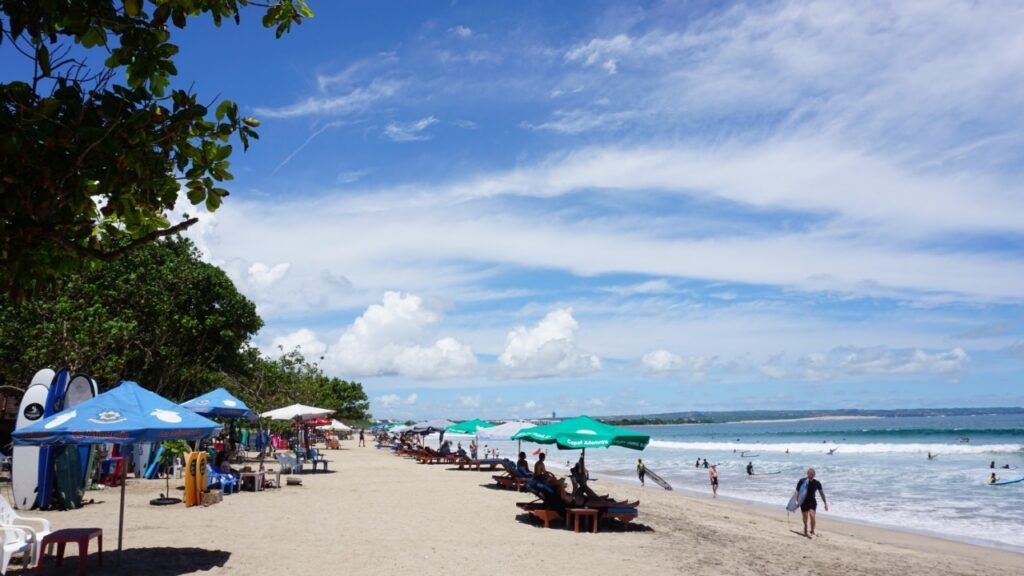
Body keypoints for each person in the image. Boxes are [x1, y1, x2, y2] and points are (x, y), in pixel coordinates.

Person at [794, 468, 828, 537]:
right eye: (810, 474)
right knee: (805, 517)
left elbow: (822, 494)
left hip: (812, 501)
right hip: (803, 501)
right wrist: (796, 501)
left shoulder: (817, 483)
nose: (811, 476)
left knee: (812, 516)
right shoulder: (802, 481)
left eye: (813, 474)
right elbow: (797, 491)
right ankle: (805, 527)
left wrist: (825, 504)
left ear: (814, 475)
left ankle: (812, 531)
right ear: (807, 473)